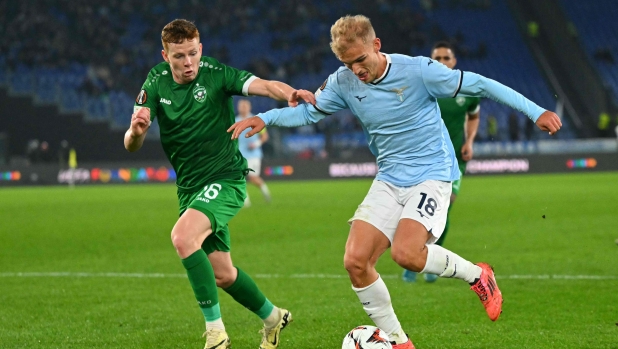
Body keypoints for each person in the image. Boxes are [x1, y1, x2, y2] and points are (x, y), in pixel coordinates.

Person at [229, 15, 561, 349]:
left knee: (407, 254)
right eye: (347, 63)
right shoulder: (343, 80)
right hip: (389, 177)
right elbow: (308, 112)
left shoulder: (418, 71)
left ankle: (479, 276)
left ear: (376, 45)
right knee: (356, 262)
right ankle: (401, 343)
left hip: (432, 173)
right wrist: (264, 117)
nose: (356, 69)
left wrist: (536, 112)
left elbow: (483, 85)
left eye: (360, 60)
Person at [124, 19, 315, 349]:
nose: (188, 63)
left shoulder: (217, 74)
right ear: (165, 55)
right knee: (223, 274)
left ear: (201, 49)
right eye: (179, 56)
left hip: (225, 179)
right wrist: (136, 132)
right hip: (189, 188)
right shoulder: (154, 82)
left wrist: (290, 93)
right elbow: (131, 143)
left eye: (193, 54)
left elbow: (267, 86)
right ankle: (273, 318)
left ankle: (216, 333)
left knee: (183, 237)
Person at [402, 41, 480, 284]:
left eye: (447, 58)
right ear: (430, 60)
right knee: (417, 208)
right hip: (424, 158)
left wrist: (470, 141)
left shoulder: (466, 89)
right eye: (438, 58)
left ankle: (429, 261)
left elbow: (474, 115)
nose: (442, 62)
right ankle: (415, 258)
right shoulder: (423, 86)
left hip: (454, 159)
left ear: (454, 61)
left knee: (444, 208)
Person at [235, 99, 272, 207]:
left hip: (254, 154)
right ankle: (246, 201)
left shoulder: (256, 120)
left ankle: (265, 191)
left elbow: (265, 136)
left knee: (253, 177)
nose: (243, 108)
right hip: (240, 154)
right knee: (239, 177)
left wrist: (256, 144)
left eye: (245, 106)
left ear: (249, 107)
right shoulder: (235, 120)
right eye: (241, 106)